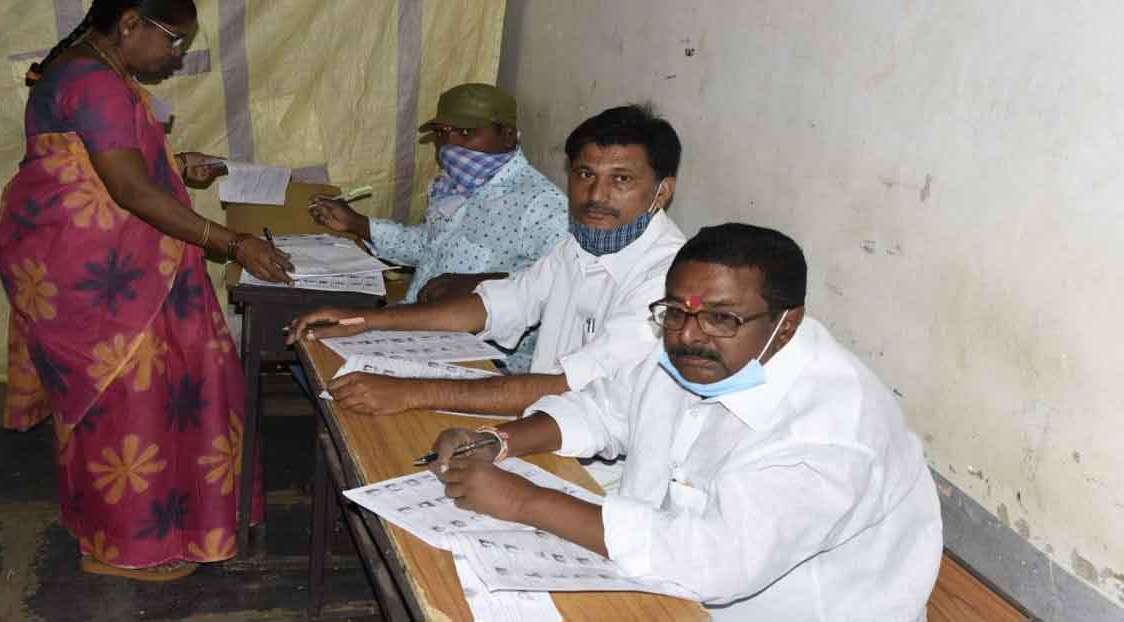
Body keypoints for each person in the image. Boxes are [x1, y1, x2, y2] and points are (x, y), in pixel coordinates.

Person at [429, 224, 943, 621]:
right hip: (661, 583)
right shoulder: (700, 353)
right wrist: (498, 440)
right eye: (675, 311)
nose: (688, 336)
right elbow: (608, 406)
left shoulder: (830, 432)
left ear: (786, 326)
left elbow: (716, 563)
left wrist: (524, 500)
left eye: (722, 318)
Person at [0, 0, 293, 581]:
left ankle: (145, 527)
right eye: (172, 40)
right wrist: (231, 241)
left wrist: (177, 166)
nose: (175, 55)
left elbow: (98, 165)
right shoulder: (95, 83)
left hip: (113, 262)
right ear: (130, 24)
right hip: (109, 275)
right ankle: (125, 548)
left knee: (148, 402)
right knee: (131, 408)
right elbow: (128, 190)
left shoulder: (91, 70)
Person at [290, 104, 685, 485]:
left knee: (399, 457)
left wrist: (408, 392)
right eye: (585, 174)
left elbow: (565, 386)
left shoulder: (668, 281)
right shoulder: (583, 241)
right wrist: (366, 320)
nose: (596, 195)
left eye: (621, 179)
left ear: (662, 191)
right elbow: (493, 305)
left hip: (599, 473)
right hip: (537, 433)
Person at [307, 83, 566, 371]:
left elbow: (559, 283)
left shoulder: (542, 205)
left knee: (335, 365)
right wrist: (358, 224)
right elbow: (427, 245)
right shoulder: (452, 185)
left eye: (466, 133)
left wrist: (480, 283)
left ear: (506, 136)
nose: (450, 145)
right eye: (443, 133)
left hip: (485, 355)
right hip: (418, 324)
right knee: (316, 344)